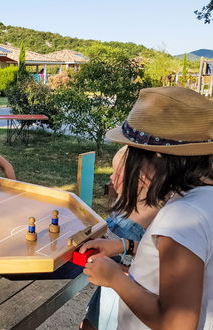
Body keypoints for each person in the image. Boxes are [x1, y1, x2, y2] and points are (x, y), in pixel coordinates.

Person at [79, 86, 213, 329]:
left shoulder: (182, 217)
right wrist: (125, 245)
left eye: (132, 151)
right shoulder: (203, 200)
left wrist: (115, 279)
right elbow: (192, 260)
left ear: (158, 155)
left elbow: (177, 324)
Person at [82, 145, 160, 330]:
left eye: (117, 173)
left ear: (141, 180)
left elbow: (153, 265)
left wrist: (118, 270)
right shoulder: (125, 204)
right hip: (111, 285)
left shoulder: (154, 219)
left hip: (127, 296)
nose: (111, 177)